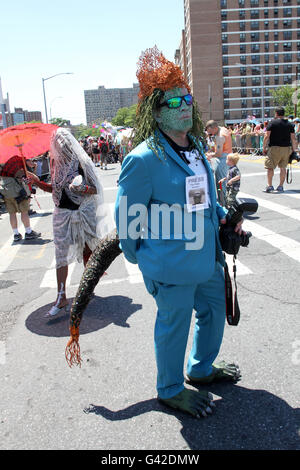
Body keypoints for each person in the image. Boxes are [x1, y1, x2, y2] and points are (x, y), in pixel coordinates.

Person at [114, 46, 242, 419]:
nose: (184, 105)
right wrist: (148, 261)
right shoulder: (142, 158)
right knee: (174, 326)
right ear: (155, 111)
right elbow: (128, 221)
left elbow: (204, 198)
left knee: (215, 312)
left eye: (187, 98)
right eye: (174, 102)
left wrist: (222, 215)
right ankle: (170, 388)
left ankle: (200, 368)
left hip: (207, 258)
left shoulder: (198, 149)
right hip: (170, 266)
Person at [28, 128, 108, 317]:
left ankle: (88, 287)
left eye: (60, 145)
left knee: (88, 252)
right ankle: (61, 296)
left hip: (82, 213)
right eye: (55, 145)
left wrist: (81, 187)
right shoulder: (54, 163)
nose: (57, 149)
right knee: (61, 255)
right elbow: (56, 191)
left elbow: (95, 188)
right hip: (62, 215)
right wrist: (37, 182)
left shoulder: (81, 161)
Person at [0, 155, 41, 242]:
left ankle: (16, 234)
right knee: (24, 212)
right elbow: (22, 174)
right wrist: (32, 175)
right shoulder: (15, 159)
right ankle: (28, 232)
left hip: (5, 191)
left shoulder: (2, 159)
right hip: (18, 191)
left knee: (12, 213)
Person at [262, 107, 298, 193]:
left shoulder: (272, 123)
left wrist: (264, 147)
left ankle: (270, 186)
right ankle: (281, 186)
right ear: (283, 114)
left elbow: (267, 136)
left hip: (274, 148)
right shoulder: (290, 124)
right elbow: (293, 139)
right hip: (286, 148)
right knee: (283, 167)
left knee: (270, 167)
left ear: (276, 113)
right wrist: (294, 149)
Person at [205, 119, 232, 203]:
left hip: (223, 159)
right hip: (228, 156)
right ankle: (225, 201)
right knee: (224, 181)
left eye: (211, 131)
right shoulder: (223, 129)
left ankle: (223, 203)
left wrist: (210, 155)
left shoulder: (220, 136)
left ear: (215, 127)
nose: (211, 134)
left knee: (220, 183)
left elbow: (219, 153)